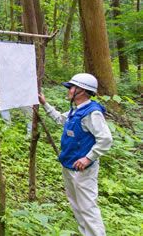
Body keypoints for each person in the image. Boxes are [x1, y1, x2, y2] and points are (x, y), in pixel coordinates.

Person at [38, 73, 112, 236]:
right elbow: (60, 119)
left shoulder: (92, 113)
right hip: (69, 165)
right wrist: (45, 104)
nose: (69, 90)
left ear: (82, 91)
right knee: (77, 206)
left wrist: (88, 158)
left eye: (71, 87)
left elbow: (106, 139)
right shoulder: (76, 110)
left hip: (83, 170)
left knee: (88, 209)